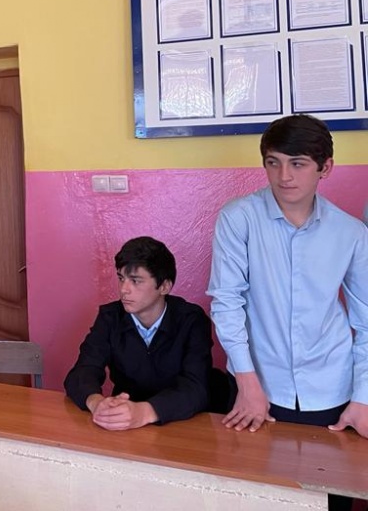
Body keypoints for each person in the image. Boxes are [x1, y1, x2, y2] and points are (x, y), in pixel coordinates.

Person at [208, 115, 368, 510]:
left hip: (331, 389)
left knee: (332, 501)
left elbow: (366, 319)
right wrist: (247, 383)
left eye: (298, 164)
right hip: (258, 387)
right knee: (260, 498)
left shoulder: (350, 232)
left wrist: (363, 397)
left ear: (325, 167)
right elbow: (227, 303)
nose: (284, 176)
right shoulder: (238, 218)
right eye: (273, 162)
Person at [64, 236, 213, 430]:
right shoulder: (110, 317)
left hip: (182, 425)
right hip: (126, 424)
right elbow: (82, 371)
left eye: (135, 281)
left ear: (164, 286)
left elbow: (196, 388)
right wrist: (97, 403)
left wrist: (145, 412)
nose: (124, 289)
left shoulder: (191, 320)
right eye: (121, 278)